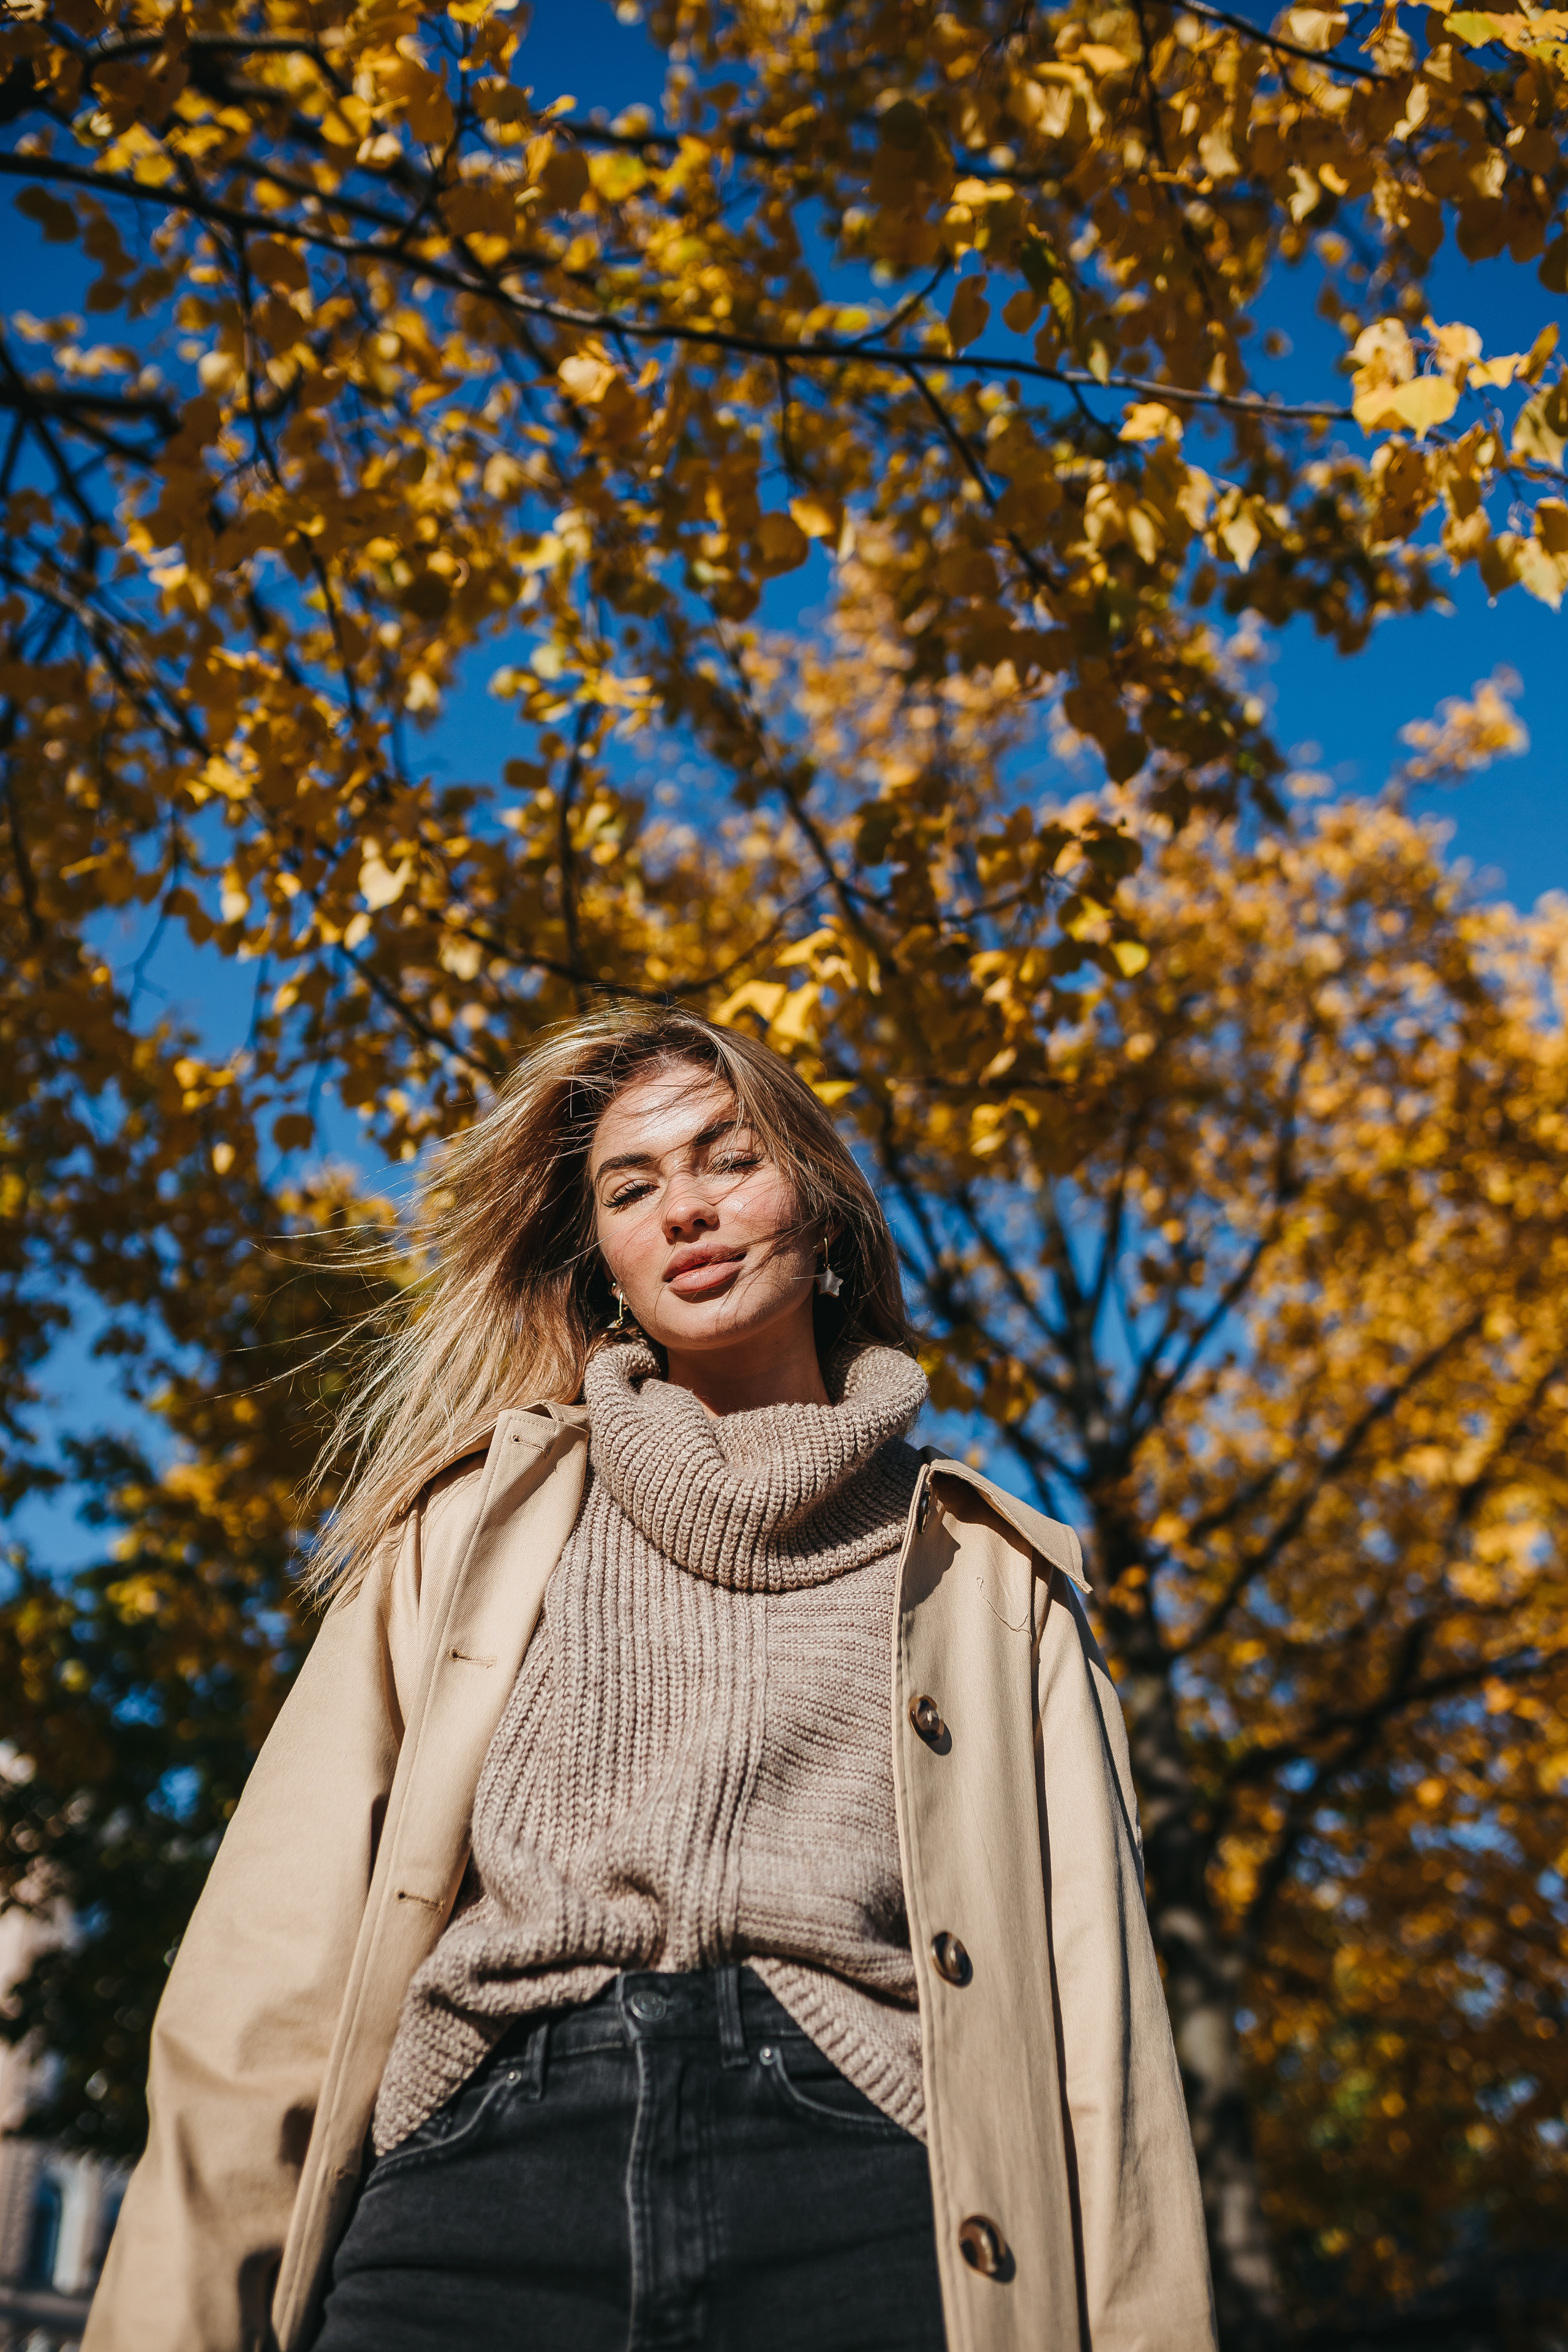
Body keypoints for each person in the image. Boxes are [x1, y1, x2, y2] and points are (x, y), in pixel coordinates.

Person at [85, 1006, 1216, 2352]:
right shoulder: (471, 1528)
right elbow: (264, 1983)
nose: (684, 1208)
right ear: (606, 1259)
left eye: (728, 1161)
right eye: (632, 1187)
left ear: (826, 1212)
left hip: (868, 2185)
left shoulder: (990, 1580)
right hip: (484, 2168)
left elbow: (1104, 2035)